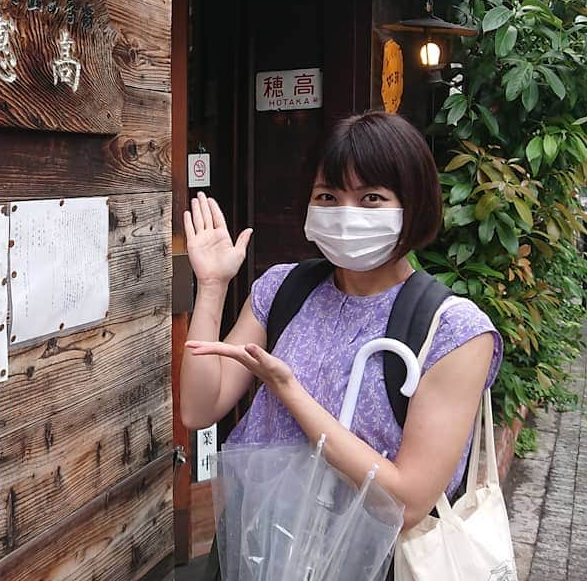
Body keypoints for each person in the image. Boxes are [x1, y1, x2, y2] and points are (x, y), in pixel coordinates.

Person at [181, 111, 502, 574]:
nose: (346, 212)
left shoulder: (453, 332)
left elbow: (407, 502)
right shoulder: (282, 288)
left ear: (413, 205)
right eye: (327, 196)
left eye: (372, 197)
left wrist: (291, 392)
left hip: (366, 564)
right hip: (255, 547)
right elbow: (198, 408)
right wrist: (211, 287)